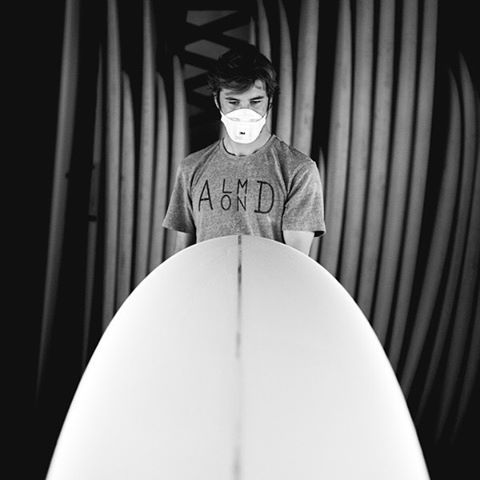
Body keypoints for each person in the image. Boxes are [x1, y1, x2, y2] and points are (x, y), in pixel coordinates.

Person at [162, 44, 325, 255]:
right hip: (209, 278)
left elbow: (295, 262)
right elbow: (182, 258)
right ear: (217, 101)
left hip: (267, 278)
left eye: (255, 101)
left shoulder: (298, 170)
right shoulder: (191, 168)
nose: (244, 111)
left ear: (270, 101)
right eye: (233, 101)